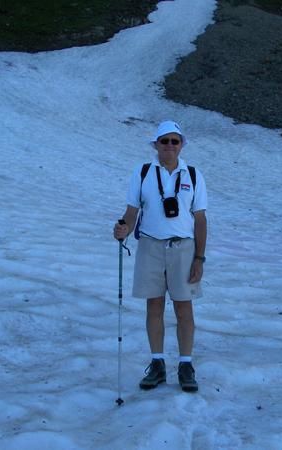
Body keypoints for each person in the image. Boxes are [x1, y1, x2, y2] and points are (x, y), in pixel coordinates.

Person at [113, 120, 207, 393]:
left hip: (183, 248)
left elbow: (200, 219)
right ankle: (157, 364)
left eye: (174, 141)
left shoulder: (193, 174)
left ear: (181, 145)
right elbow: (131, 212)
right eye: (164, 141)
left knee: (183, 307)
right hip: (151, 246)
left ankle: (186, 365)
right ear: (155, 144)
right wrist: (123, 230)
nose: (169, 146)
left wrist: (199, 258)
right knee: (154, 305)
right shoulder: (142, 172)